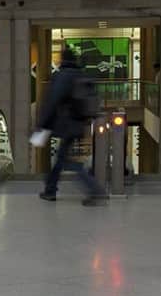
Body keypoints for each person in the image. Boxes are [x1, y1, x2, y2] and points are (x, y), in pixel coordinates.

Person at [34, 50, 108, 205]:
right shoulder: (81, 75)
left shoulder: (62, 76)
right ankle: (50, 190)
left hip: (67, 124)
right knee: (61, 159)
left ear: (63, 60)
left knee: (66, 161)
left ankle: (95, 190)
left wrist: (42, 123)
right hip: (79, 124)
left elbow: (52, 101)